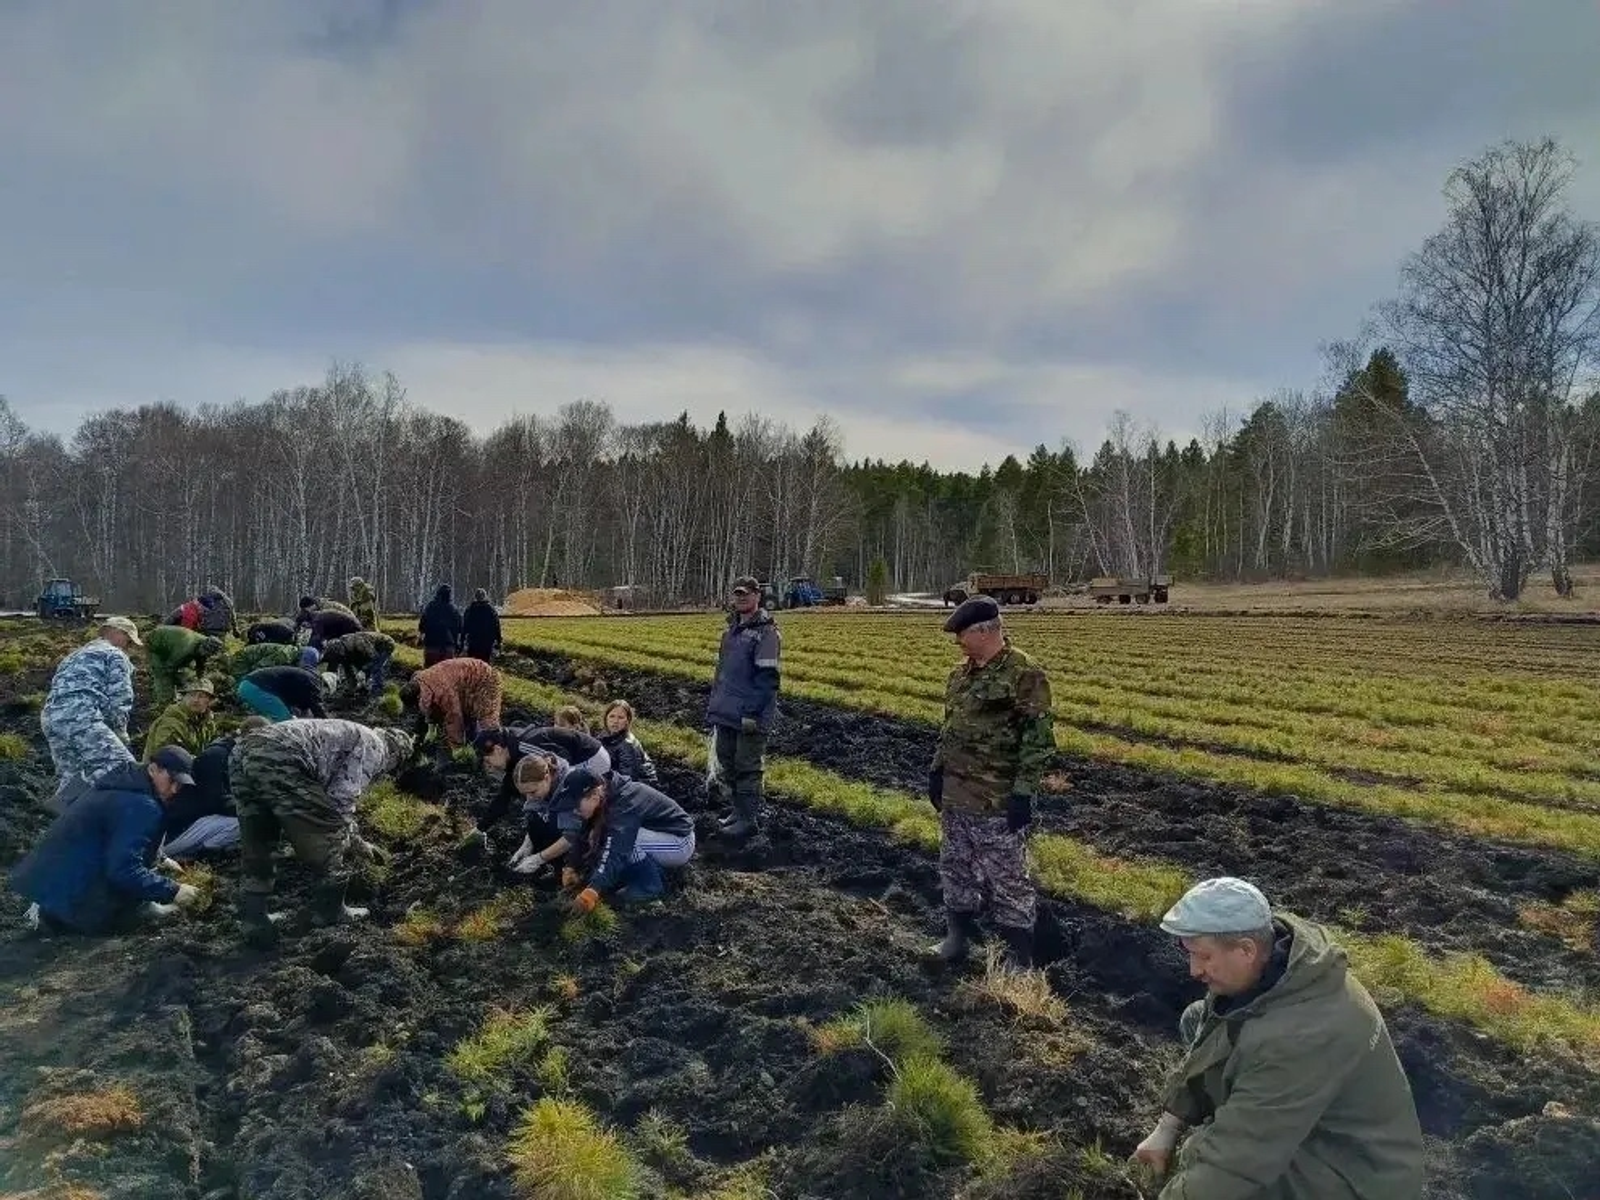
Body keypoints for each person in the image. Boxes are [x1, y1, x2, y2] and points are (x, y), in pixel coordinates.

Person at [1132, 877, 1426, 1198]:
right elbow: (1215, 1033)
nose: (1194, 970)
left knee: (1203, 1152)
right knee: (1197, 1018)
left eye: (1203, 957)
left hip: (1361, 1176)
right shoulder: (1285, 966)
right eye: (1188, 953)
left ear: (1246, 949)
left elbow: (1234, 1164)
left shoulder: (1299, 1038)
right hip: (1314, 1118)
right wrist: (1167, 1129)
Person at [926, 596, 1053, 970]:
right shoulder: (959, 675)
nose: (957, 642)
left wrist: (1024, 793)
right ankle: (956, 938)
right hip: (956, 796)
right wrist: (937, 771)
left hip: (997, 800)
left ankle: (1018, 958)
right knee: (955, 868)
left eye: (962, 634)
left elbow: (1038, 742)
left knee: (1009, 879)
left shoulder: (1024, 674)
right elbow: (949, 730)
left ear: (986, 632)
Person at [231, 719, 414, 942]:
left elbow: (326, 799)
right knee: (330, 833)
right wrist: (350, 841)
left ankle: (254, 918)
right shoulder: (374, 747)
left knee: (259, 837)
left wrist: (358, 841)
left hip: (241, 753)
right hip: (282, 755)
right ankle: (332, 912)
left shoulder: (353, 733)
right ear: (396, 754)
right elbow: (339, 803)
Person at [10, 747, 204, 935]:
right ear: (154, 769)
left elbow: (110, 836)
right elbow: (123, 869)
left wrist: (160, 858)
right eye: (173, 780)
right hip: (72, 903)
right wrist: (173, 891)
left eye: (181, 784)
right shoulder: (141, 805)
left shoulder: (123, 784)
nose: (175, 789)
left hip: (51, 891)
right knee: (129, 916)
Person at [549, 766, 696, 909]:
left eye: (576, 806)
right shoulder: (603, 793)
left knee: (626, 842)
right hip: (653, 835)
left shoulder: (624, 805)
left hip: (679, 841)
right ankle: (638, 872)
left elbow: (616, 849)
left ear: (593, 796)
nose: (574, 811)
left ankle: (650, 887)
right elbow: (584, 832)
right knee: (606, 837)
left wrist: (593, 890)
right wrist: (571, 866)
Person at [705, 575, 781, 839]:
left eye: (746, 594)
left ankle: (748, 819)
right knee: (728, 763)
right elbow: (722, 674)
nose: (741, 598)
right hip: (726, 711)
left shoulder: (766, 633)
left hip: (750, 715)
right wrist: (714, 707)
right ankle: (737, 812)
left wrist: (752, 712)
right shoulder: (730, 632)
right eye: (737, 594)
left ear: (757, 596)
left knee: (747, 766)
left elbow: (768, 679)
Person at [40, 617, 142, 809]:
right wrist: (120, 736)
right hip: (81, 716)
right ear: (116, 633)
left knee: (72, 774)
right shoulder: (115, 655)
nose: (128, 647)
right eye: (128, 640)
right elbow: (120, 700)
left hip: (51, 719)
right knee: (123, 767)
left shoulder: (73, 656)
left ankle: (64, 822)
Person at [460, 723, 611, 851]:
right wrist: (480, 829)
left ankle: (580, 841)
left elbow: (562, 764)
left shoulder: (526, 748)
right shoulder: (513, 755)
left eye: (488, 760)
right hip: (572, 759)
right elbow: (505, 793)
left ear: (498, 749)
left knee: (560, 801)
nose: (489, 766)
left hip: (591, 757)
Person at [159, 716, 271, 860]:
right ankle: (201, 854)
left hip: (198, 823)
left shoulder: (237, 755)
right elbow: (214, 800)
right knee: (250, 819)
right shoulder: (216, 757)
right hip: (180, 829)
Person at [399, 656, 502, 761]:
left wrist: (457, 748)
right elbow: (432, 706)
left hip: (484, 678)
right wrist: (431, 727)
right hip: (463, 682)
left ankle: (493, 752)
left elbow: (454, 717)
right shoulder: (419, 680)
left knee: (486, 719)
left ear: (418, 697)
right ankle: (471, 741)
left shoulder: (443, 691)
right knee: (466, 715)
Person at [145, 625, 227, 709]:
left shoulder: (208, 643)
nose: (204, 654)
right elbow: (170, 666)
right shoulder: (186, 647)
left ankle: (173, 695)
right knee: (162, 673)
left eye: (207, 654)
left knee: (183, 672)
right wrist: (175, 683)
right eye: (203, 652)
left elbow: (201, 664)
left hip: (173, 643)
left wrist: (201, 682)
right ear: (201, 645)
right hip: (156, 642)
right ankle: (164, 703)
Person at [142, 678, 220, 759]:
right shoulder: (171, 723)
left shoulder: (206, 722)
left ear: (209, 701)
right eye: (191, 695)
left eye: (201, 696)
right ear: (184, 697)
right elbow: (165, 757)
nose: (195, 700)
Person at [237, 661, 331, 722]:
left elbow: (297, 703)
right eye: (327, 691)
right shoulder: (312, 681)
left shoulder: (303, 680)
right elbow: (318, 708)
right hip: (256, 687)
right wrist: (330, 725)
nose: (324, 694)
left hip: (248, 685)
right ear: (325, 684)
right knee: (284, 720)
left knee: (265, 721)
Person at [319, 630, 396, 697]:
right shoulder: (340, 649)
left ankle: (376, 693)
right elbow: (348, 670)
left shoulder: (360, 644)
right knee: (352, 667)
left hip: (385, 645)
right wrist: (351, 689)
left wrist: (363, 670)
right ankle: (360, 687)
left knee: (375, 668)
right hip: (361, 653)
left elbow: (374, 658)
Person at [600, 700, 658, 784]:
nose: (615, 721)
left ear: (627, 721)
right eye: (612, 716)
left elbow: (628, 779)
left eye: (620, 717)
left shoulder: (628, 744)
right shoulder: (603, 736)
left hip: (636, 787)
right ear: (606, 718)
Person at [418, 584, 463, 666]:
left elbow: (422, 624)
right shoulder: (453, 609)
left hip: (431, 644)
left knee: (430, 671)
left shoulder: (430, 606)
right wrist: (457, 644)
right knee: (446, 673)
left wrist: (420, 638)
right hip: (447, 645)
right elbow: (459, 628)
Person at [462, 588, 502, 662]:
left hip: (473, 641)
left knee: (473, 664)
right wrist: (499, 640)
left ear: (475, 597)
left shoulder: (470, 609)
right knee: (485, 663)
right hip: (486, 642)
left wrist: (462, 640)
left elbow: (464, 626)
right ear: (485, 597)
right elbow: (496, 625)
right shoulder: (491, 610)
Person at [231, 639, 303, 680]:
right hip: (244, 658)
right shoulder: (284, 655)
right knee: (240, 685)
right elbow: (259, 667)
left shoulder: (292, 652)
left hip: (250, 658)